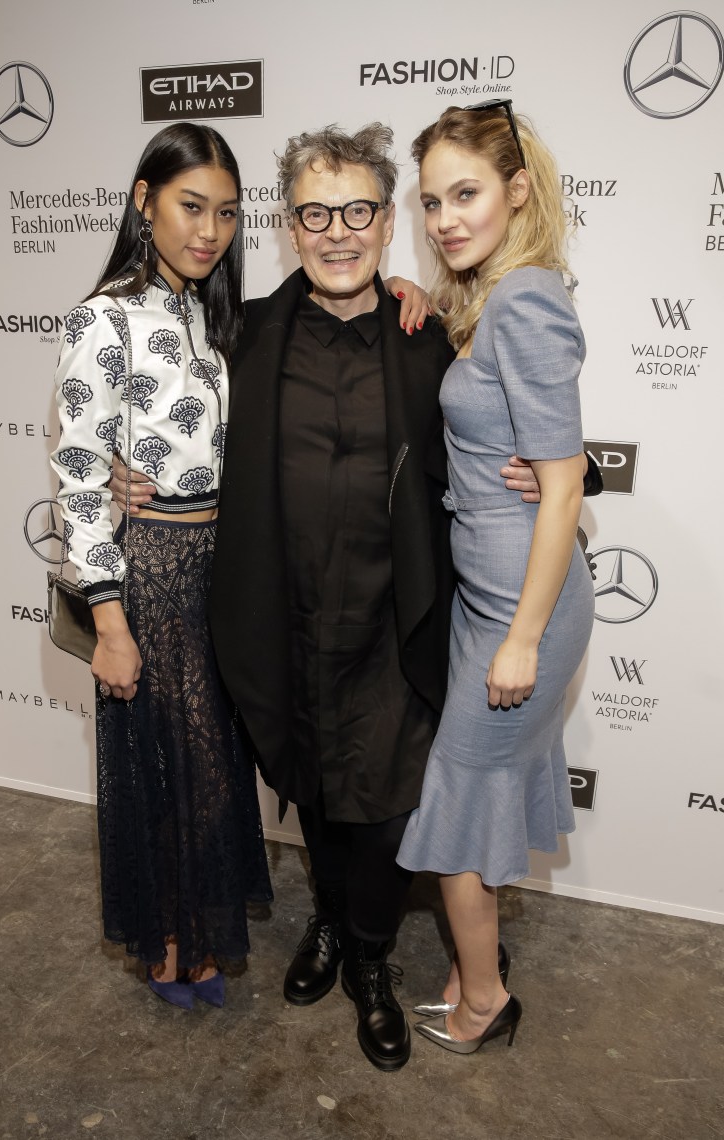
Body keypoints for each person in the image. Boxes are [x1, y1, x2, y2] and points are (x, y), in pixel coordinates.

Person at [111, 122, 599, 1070]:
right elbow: (159, 421)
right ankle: (330, 924)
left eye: (360, 211)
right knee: (315, 794)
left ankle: (372, 958)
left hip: (400, 626)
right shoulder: (239, 339)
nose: (338, 232)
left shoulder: (434, 343)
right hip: (282, 620)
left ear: (387, 226)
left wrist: (553, 478)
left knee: (382, 808)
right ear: (290, 227)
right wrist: (133, 478)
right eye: (315, 213)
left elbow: (514, 433)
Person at [50, 123, 272, 1011]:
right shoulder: (103, 317)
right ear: (144, 201)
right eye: (190, 207)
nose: (208, 230)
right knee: (164, 764)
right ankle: (169, 938)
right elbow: (74, 475)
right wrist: (109, 621)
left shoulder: (214, 312)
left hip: (220, 566)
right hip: (150, 572)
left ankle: (203, 923)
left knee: (212, 762)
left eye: (224, 211)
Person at [397, 101, 595, 1056]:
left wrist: (521, 638)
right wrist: (407, 290)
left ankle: (484, 1002)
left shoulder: (525, 298)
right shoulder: (489, 296)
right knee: (485, 794)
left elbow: (561, 495)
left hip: (527, 608)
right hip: (488, 600)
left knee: (460, 801)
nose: (444, 219)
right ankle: (482, 969)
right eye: (432, 201)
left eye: (465, 193)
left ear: (518, 191)